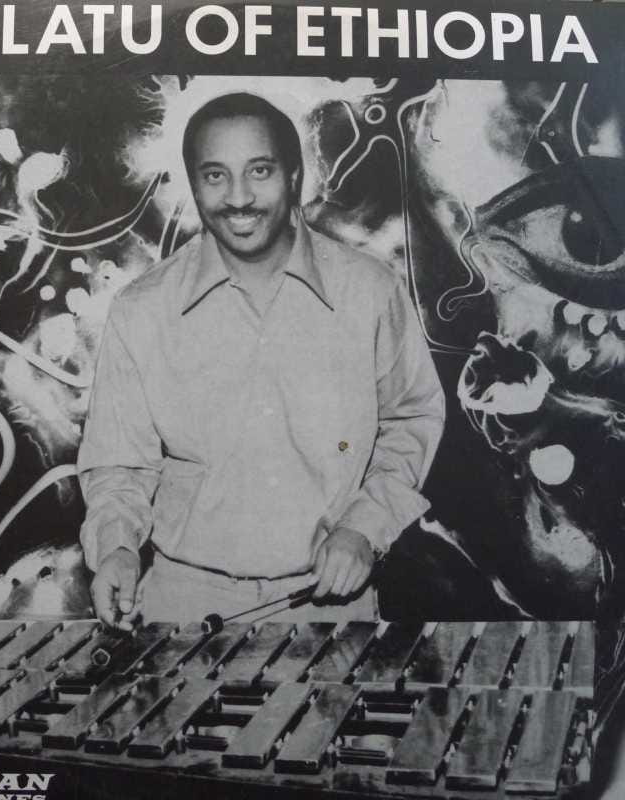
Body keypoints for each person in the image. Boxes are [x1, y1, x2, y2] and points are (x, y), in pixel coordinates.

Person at [77, 92, 445, 628]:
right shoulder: (141, 310)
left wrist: (363, 528)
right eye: (215, 176)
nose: (239, 198)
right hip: (181, 606)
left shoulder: (370, 291)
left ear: (294, 176)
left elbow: (410, 420)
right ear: (193, 184)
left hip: (331, 603)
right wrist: (116, 548)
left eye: (260, 170)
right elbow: (119, 464)